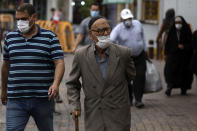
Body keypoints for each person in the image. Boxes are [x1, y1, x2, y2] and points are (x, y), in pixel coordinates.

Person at [0, 3, 65, 131]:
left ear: (33, 17)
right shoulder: (10, 38)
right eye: (17, 19)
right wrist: (3, 89)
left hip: (43, 99)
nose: (20, 22)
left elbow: (59, 63)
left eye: (23, 19)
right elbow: (5, 66)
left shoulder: (50, 37)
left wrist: (56, 84)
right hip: (16, 99)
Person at [66, 16, 136, 131]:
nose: (104, 33)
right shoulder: (81, 55)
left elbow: (131, 75)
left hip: (118, 113)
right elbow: (72, 83)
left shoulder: (123, 53)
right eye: (99, 31)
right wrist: (75, 105)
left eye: (107, 29)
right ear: (90, 34)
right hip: (94, 112)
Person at [110, 8, 146, 108]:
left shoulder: (138, 24)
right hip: (126, 58)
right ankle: (129, 98)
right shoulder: (118, 29)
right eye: (125, 19)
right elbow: (111, 40)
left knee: (140, 76)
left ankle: (138, 99)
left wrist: (145, 49)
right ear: (122, 19)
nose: (128, 20)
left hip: (140, 55)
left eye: (129, 18)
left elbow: (143, 37)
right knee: (127, 79)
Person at [164, 16, 193, 96]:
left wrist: (184, 46)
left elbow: (191, 44)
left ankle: (184, 88)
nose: (178, 24)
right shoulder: (172, 32)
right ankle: (169, 87)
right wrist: (166, 54)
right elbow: (168, 44)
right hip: (173, 57)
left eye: (180, 23)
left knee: (184, 74)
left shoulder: (187, 31)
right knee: (170, 72)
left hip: (184, 58)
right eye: (176, 23)